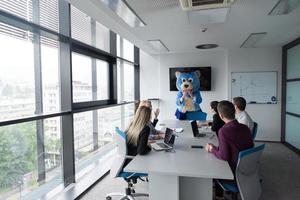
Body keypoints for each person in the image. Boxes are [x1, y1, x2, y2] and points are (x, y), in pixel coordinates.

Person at [205, 101, 254, 199]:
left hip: (233, 171)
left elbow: (224, 156)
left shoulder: (223, 131)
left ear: (221, 116)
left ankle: (219, 197)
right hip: (248, 168)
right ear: (234, 112)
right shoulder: (244, 128)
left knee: (210, 166)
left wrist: (212, 149)